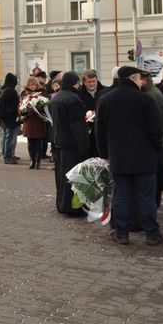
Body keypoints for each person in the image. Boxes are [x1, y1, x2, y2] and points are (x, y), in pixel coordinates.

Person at [96, 66, 163, 246]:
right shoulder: (146, 99)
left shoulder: (105, 100)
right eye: (140, 78)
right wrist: (157, 149)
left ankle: (121, 233)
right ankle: (152, 234)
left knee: (121, 196)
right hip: (145, 158)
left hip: (118, 157)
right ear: (133, 78)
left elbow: (100, 131)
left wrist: (105, 154)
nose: (142, 82)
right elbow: (157, 130)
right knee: (146, 197)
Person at [48, 71, 88, 216]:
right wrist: (84, 146)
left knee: (61, 176)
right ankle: (72, 207)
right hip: (71, 144)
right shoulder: (73, 99)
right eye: (78, 83)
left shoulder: (57, 97)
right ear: (74, 83)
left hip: (59, 141)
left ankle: (62, 204)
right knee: (74, 176)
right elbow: (77, 126)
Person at [20, 76, 48, 170]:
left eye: (33, 85)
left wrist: (39, 107)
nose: (32, 87)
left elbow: (46, 105)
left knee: (38, 142)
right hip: (29, 121)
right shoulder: (24, 94)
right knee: (30, 143)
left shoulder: (42, 93)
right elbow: (20, 106)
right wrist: (23, 110)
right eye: (30, 85)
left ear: (36, 85)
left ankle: (38, 161)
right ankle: (32, 160)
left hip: (38, 121)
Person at [0, 73, 20, 164]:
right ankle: (8, 156)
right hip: (10, 118)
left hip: (1, 118)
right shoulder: (11, 91)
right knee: (10, 137)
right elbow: (14, 105)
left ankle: (5, 154)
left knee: (5, 136)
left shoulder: (0, 90)